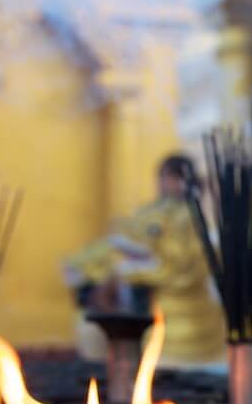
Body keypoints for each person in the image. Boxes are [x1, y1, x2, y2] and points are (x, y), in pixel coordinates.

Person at [64, 154, 221, 364]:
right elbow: (126, 242)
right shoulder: (158, 212)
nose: (161, 183)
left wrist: (127, 270)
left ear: (178, 180)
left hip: (182, 320)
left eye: (166, 177)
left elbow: (177, 264)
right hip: (159, 306)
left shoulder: (183, 218)